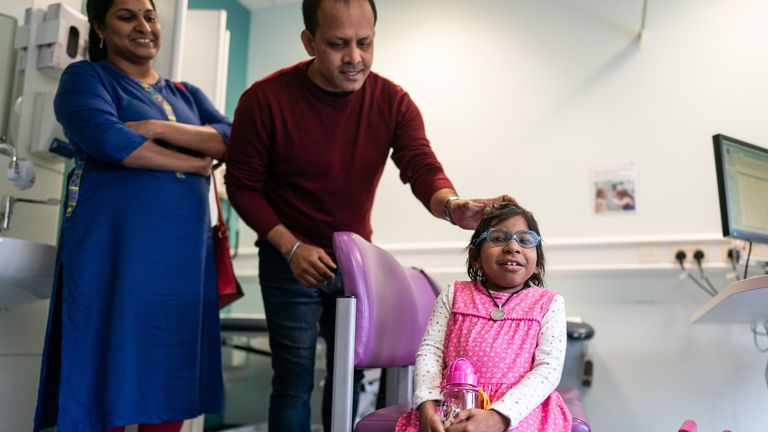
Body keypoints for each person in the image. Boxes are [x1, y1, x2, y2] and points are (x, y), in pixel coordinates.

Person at [224, 0, 514, 430]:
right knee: (294, 380)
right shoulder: (265, 100)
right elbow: (242, 186)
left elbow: (421, 167)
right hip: (289, 260)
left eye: (365, 43)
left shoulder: (392, 102)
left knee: (352, 377)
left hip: (354, 262)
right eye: (339, 44)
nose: (355, 58)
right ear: (309, 42)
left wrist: (453, 207)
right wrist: (290, 247)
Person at [33, 0, 231, 430]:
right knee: (104, 376)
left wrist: (160, 128)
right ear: (101, 28)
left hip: (179, 265)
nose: (143, 25)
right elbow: (109, 140)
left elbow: (232, 138)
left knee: (168, 383)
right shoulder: (87, 78)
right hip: (115, 256)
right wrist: (194, 161)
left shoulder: (186, 95)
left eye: (149, 15)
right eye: (127, 16)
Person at [395, 203, 571, 432]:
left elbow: (548, 369)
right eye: (498, 238)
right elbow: (430, 353)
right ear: (476, 257)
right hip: (450, 405)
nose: (512, 247)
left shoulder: (549, 303)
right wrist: (426, 406)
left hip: (519, 411)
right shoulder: (454, 294)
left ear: (537, 262)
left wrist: (499, 417)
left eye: (526, 240)